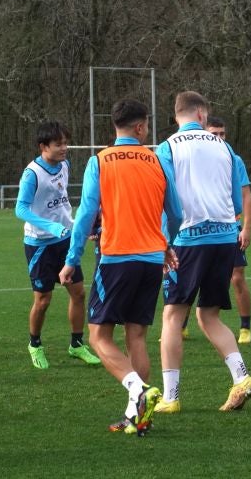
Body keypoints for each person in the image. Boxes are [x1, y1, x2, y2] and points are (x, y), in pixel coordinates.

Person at [58, 98, 182, 436]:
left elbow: (85, 215)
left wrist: (71, 260)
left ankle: (138, 391)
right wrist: (166, 244)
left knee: (99, 336)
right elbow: (177, 213)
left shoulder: (100, 161)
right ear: (140, 127)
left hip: (116, 259)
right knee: (137, 335)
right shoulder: (158, 161)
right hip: (152, 260)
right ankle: (135, 416)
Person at [154, 91, 251, 415]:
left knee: (172, 315)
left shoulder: (167, 148)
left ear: (177, 116)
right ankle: (241, 378)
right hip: (226, 237)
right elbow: (235, 199)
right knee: (208, 315)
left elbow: (166, 200)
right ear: (202, 113)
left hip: (187, 238)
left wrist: (164, 242)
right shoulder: (225, 148)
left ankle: (171, 398)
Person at [15, 121, 101, 369]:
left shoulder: (65, 165)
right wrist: (51, 227)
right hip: (39, 244)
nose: (65, 148)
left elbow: (62, 202)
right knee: (43, 300)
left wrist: (80, 227)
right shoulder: (32, 173)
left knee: (78, 293)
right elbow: (20, 208)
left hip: (66, 240)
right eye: (58, 144)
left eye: (66, 142)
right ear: (43, 146)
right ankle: (35, 344)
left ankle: (76, 344)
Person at [205, 116, 251, 344]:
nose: (219, 138)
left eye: (222, 134)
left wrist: (246, 228)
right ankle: (181, 325)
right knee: (190, 278)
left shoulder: (235, 160)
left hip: (230, 229)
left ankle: (245, 327)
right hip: (200, 230)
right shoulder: (196, 160)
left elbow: (246, 195)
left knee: (237, 277)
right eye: (214, 134)